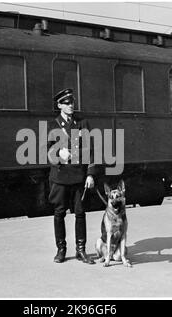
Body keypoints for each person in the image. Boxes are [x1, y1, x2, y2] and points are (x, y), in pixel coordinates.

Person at [47, 88, 96, 264]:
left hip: (78, 176)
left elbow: (90, 151)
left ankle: (81, 250)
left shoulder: (82, 123)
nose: (70, 105)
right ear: (59, 105)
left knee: (80, 213)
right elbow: (48, 152)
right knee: (59, 213)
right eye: (66, 103)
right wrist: (59, 153)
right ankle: (61, 250)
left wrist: (90, 174)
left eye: (72, 102)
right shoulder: (53, 124)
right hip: (60, 177)